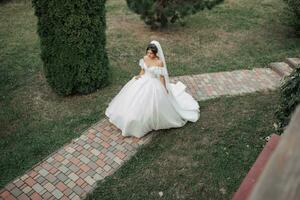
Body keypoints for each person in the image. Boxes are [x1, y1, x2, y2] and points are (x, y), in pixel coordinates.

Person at [105, 40, 200, 138]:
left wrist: (164, 88)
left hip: (154, 83)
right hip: (143, 80)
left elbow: (161, 77)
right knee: (133, 99)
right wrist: (139, 76)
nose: (149, 55)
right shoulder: (145, 58)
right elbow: (142, 70)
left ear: (156, 53)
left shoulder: (159, 62)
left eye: (151, 53)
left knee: (151, 103)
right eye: (148, 52)